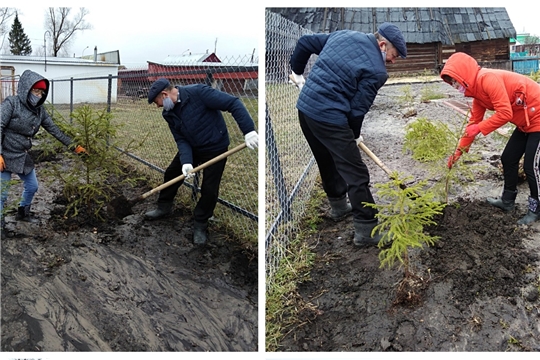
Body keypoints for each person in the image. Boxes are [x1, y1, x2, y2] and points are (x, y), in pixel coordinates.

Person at [289, 22, 407, 246]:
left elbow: (305, 43)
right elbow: (357, 110)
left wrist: (297, 72)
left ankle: (339, 207)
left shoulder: (343, 35)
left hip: (305, 110)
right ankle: (367, 232)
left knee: (326, 159)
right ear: (382, 44)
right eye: (394, 55)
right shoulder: (377, 72)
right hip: (329, 117)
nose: (393, 61)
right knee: (356, 173)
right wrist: (354, 135)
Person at [146, 78, 258, 245]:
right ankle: (164, 206)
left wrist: (248, 130)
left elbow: (233, 103)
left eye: (157, 102)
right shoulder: (168, 114)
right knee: (172, 172)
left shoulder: (198, 92)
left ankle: (200, 223)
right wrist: (186, 161)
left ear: (165, 94)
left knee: (209, 188)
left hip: (215, 147)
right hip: (193, 147)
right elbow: (181, 139)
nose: (158, 106)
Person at [441, 52, 540, 225]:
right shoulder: (477, 95)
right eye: (452, 84)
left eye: (455, 82)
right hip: (525, 122)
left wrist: (479, 128)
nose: (455, 86)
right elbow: (473, 123)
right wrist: (458, 153)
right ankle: (507, 201)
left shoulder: (487, 79)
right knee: (508, 158)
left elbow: (505, 113)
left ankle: (536, 209)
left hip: (538, 117)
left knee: (531, 165)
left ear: (463, 75)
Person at [1, 70, 86, 238]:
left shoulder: (40, 111)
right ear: (26, 89)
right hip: (4, 154)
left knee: (32, 186)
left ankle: (23, 212)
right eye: (36, 91)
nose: (39, 95)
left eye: (41, 92)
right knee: (2, 193)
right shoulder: (11, 104)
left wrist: (74, 147)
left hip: (22, 154)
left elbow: (55, 130)